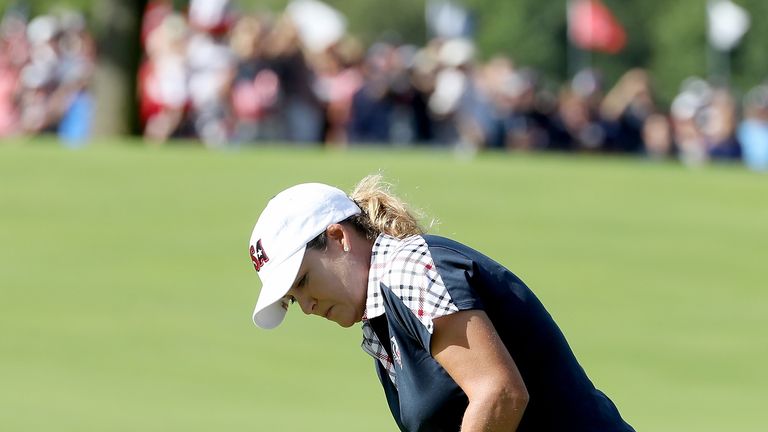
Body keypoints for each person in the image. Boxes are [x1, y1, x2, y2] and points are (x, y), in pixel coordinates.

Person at [247, 175, 635, 432]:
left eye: (304, 282)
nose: (309, 306)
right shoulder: (381, 326)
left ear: (338, 237)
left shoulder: (406, 269)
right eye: (294, 301)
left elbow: (498, 392)